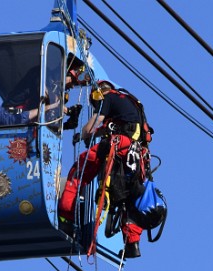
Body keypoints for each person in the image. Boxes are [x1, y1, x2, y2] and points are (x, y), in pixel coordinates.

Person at [57, 80, 151, 259]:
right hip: (135, 154)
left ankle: (66, 218)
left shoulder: (106, 97)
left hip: (119, 145)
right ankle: (132, 244)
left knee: (81, 169)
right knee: (127, 194)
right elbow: (108, 127)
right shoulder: (128, 102)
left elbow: (95, 123)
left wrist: (83, 134)